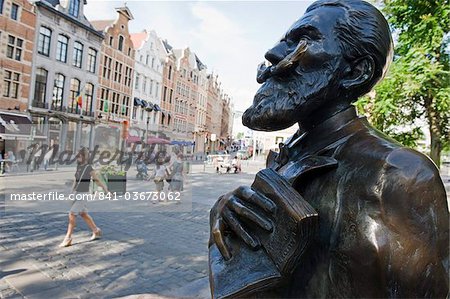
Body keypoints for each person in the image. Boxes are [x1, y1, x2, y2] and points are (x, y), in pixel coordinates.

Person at [208, 0, 449, 297]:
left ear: (356, 71)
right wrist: (229, 220)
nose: (273, 53)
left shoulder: (397, 173)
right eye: (285, 40)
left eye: (304, 40)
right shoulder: (289, 156)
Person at [60, 148, 109, 247]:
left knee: (72, 214)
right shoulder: (79, 166)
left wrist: (105, 189)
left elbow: (97, 180)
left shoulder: (89, 168)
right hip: (77, 193)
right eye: (77, 156)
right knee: (83, 214)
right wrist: (72, 191)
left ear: (84, 157)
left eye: (79, 156)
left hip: (83, 194)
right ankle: (96, 231)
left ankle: (68, 238)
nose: (77, 158)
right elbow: (75, 179)